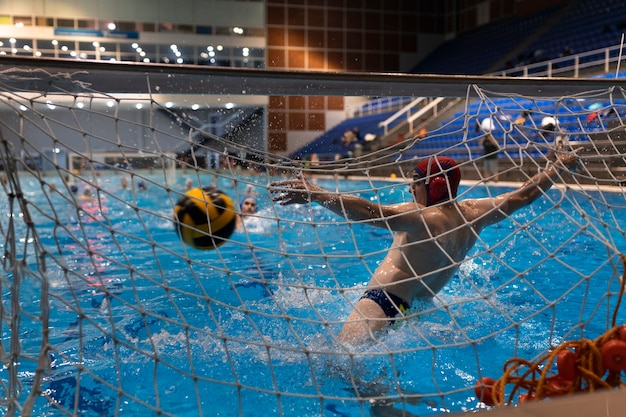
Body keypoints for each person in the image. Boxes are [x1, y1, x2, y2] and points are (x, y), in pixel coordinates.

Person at [271, 149, 580, 344]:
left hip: (381, 302)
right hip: (415, 313)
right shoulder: (475, 213)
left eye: (415, 182)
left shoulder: (420, 216)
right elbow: (523, 196)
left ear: (432, 185)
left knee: (338, 364)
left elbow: (370, 212)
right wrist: (557, 168)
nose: (410, 188)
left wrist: (317, 194)